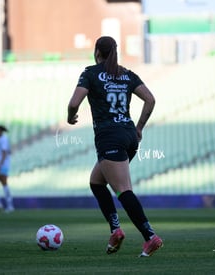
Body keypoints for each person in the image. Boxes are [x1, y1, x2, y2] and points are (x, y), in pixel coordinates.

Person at [67, 36, 163, 257]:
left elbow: (74, 103)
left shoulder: (90, 73)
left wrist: (71, 117)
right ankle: (115, 230)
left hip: (109, 137)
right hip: (128, 135)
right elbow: (150, 99)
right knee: (97, 182)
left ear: (97, 52)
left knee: (123, 190)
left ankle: (150, 237)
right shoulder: (127, 75)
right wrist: (139, 127)